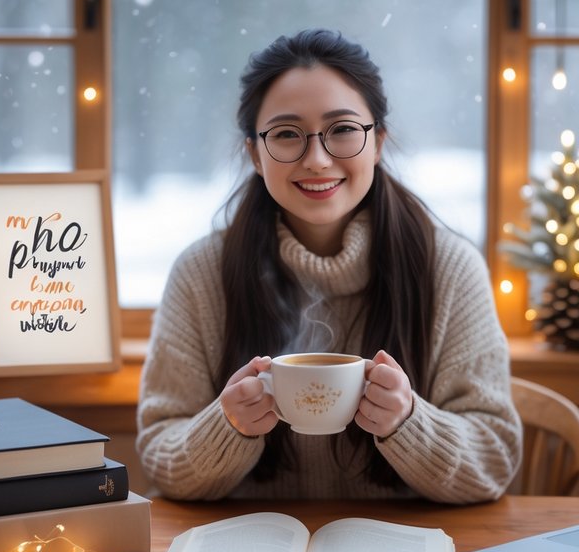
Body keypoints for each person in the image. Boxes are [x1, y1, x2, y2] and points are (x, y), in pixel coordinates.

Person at [136, 29, 521, 502]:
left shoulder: (449, 269)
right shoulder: (202, 274)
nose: (317, 160)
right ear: (254, 153)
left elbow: (495, 458)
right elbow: (159, 452)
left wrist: (408, 422)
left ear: (378, 142)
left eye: (341, 130)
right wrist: (227, 425)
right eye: (285, 134)